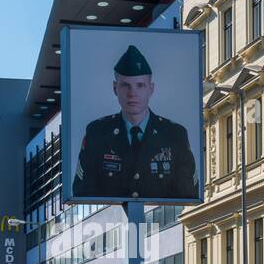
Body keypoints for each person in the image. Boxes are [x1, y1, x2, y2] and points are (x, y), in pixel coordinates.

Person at [72, 44, 198, 201]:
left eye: (140, 85)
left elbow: (189, 194)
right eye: (125, 85)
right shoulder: (97, 133)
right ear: (114, 88)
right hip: (113, 223)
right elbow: (82, 193)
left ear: (151, 89)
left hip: (157, 222)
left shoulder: (174, 135)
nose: (132, 93)